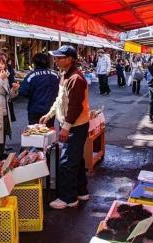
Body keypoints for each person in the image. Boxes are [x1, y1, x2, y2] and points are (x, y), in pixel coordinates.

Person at [40, 45, 90, 210]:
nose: (56, 60)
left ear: (70, 59)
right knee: (76, 159)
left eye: (60, 57)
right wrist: (50, 114)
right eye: (56, 57)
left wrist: (66, 127)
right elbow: (60, 100)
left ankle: (68, 198)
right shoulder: (64, 75)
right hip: (72, 124)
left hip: (76, 125)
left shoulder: (76, 78)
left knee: (67, 162)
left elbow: (76, 107)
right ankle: (81, 191)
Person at [19, 53, 59, 128]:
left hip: (35, 109)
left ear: (35, 63)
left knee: (35, 134)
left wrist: (33, 94)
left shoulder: (31, 76)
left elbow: (23, 92)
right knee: (49, 132)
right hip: (51, 110)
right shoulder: (55, 75)